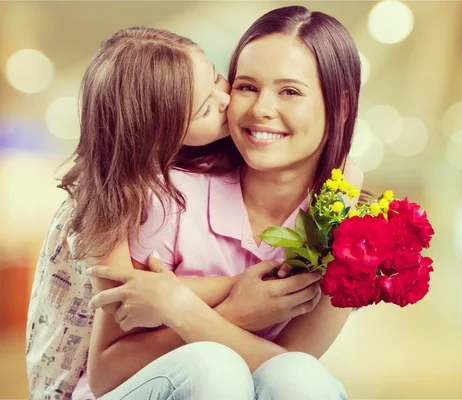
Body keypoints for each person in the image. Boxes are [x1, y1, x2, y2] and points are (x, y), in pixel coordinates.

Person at [26, 25, 339, 400]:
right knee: (212, 366)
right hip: (103, 384)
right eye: (244, 87)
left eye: (219, 79)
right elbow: (127, 306)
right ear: (165, 134)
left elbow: (290, 369)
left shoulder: (338, 212)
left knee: (297, 375)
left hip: (227, 375)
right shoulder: (130, 199)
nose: (231, 103)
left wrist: (178, 302)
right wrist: (234, 301)